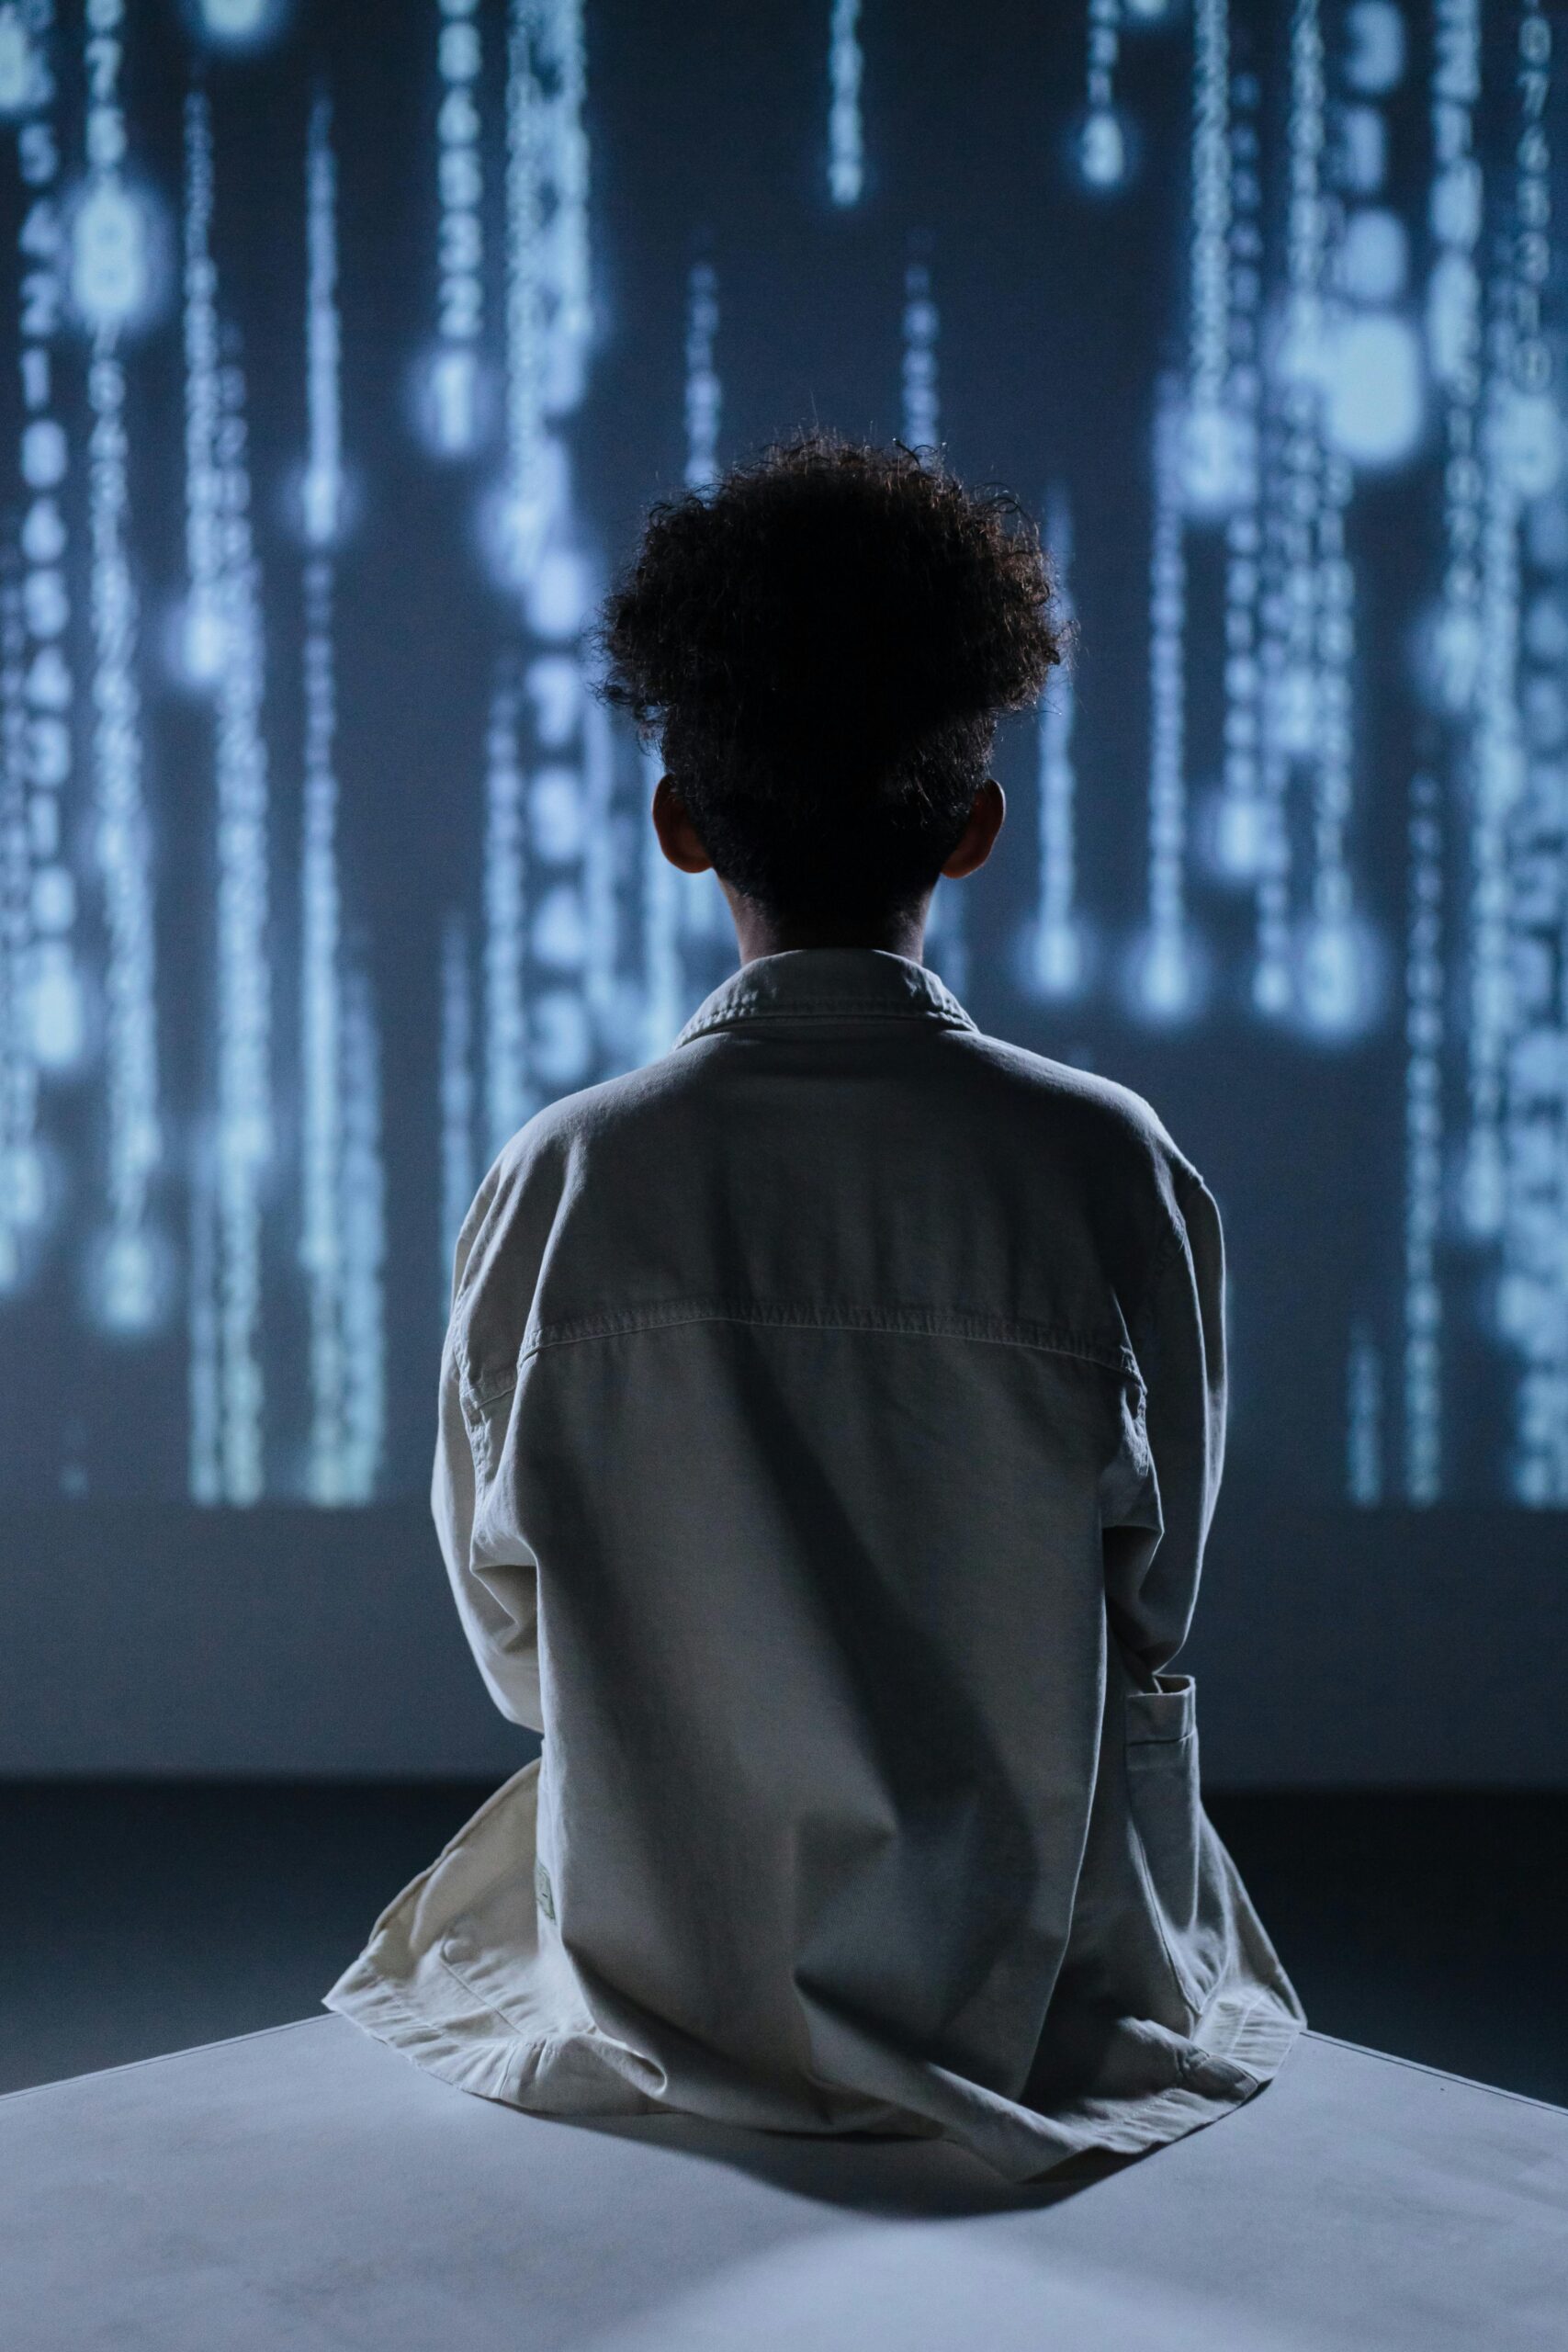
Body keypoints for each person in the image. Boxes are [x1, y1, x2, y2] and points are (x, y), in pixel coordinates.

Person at [327, 433, 1303, 2182]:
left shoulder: (565, 1177)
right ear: (978, 827)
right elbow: (1150, 1605)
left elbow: (512, 1645)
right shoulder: (1109, 1163)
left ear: (680, 821)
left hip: (659, 1959)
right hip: (1031, 1984)